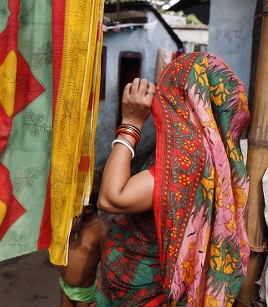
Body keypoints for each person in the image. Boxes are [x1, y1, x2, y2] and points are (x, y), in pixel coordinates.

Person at [96, 52, 250, 306]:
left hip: (145, 294)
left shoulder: (187, 159)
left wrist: (130, 124)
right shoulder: (221, 160)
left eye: (168, 86)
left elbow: (112, 198)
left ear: (188, 98)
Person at [59, 195, 109, 307]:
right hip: (64, 285)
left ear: (88, 208)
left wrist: (101, 298)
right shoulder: (76, 221)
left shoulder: (101, 232)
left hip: (84, 294)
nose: (70, 205)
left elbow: (106, 268)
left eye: (74, 203)